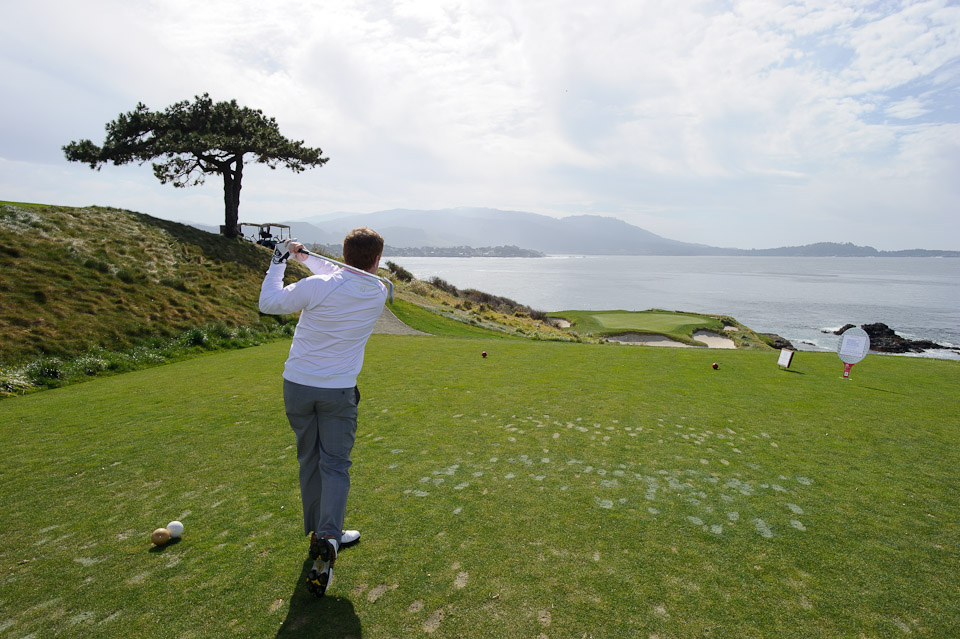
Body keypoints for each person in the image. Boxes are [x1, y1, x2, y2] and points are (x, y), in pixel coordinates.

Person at [258, 228, 388, 598]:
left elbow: (269, 302)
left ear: (344, 254)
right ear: (377, 259)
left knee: (310, 460)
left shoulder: (318, 287)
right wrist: (305, 258)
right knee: (335, 464)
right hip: (338, 393)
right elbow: (342, 276)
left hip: (297, 387)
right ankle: (329, 536)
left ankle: (323, 532)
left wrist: (279, 261)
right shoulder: (378, 291)